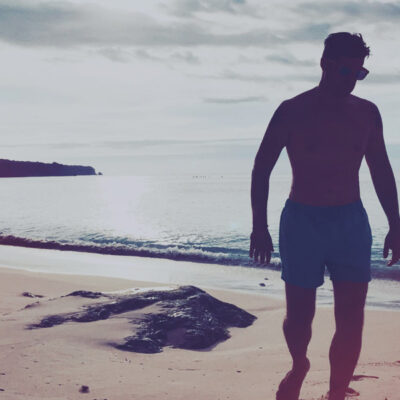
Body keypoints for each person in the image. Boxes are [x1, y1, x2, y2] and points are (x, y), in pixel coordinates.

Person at [249, 32, 400, 400]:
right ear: (325, 64)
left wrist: (396, 225)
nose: (352, 80)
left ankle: (336, 393)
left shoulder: (367, 113)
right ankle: (299, 364)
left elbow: (381, 170)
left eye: (359, 73)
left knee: (352, 319)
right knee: (299, 318)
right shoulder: (292, 110)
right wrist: (259, 227)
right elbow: (261, 168)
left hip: (350, 223)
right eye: (346, 71)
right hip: (302, 222)